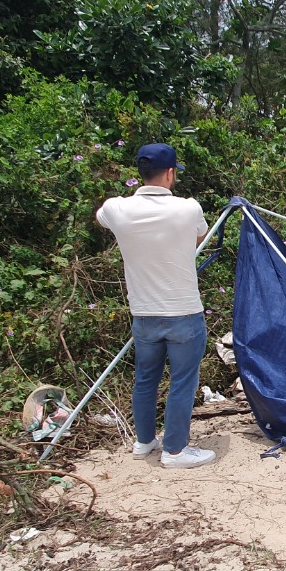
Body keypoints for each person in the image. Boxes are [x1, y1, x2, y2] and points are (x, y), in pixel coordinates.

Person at [95, 143, 216, 468]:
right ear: (171, 173)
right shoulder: (188, 208)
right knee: (182, 381)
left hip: (144, 315)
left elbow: (102, 218)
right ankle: (175, 450)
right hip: (184, 315)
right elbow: (199, 238)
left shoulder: (116, 209)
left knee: (145, 379)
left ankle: (144, 441)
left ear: (140, 174)